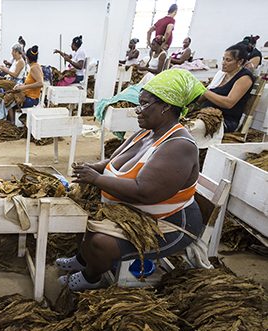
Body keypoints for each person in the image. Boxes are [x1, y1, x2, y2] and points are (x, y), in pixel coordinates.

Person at [57, 69, 205, 291]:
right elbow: (114, 162)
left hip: (169, 223)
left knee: (100, 241)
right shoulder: (148, 132)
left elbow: (143, 191)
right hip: (134, 210)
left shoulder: (178, 146)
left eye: (144, 104)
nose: (137, 111)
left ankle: (91, 276)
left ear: (165, 106)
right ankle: (83, 258)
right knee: (82, 212)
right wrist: (92, 168)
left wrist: (96, 179)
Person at [200, 44, 255, 132]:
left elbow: (228, 103)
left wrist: (204, 91)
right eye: (223, 59)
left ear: (240, 62)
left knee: (192, 128)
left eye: (228, 60)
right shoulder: (222, 75)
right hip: (205, 114)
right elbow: (206, 94)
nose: (223, 63)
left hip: (225, 120)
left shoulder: (245, 78)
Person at [8, 45, 43, 122]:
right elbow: (32, 82)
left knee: (9, 103)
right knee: (11, 99)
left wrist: (23, 88)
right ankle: (15, 123)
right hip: (31, 97)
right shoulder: (35, 66)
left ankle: (14, 124)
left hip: (32, 100)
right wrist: (22, 85)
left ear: (27, 58)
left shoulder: (34, 68)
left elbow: (40, 83)